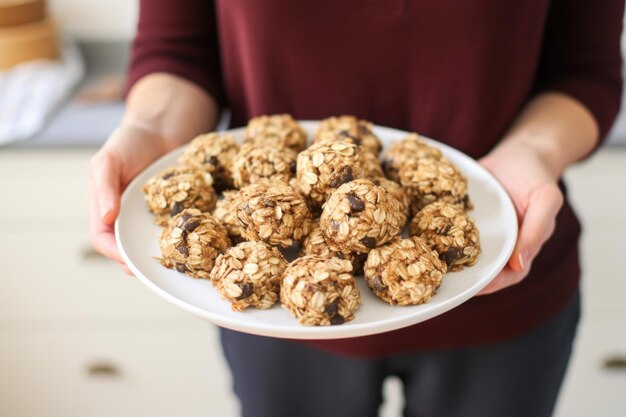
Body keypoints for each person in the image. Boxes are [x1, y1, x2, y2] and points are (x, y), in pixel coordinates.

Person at [88, 1, 623, 416]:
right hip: (278, 329)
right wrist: (150, 130)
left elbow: (585, 70)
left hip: (504, 295)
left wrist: (533, 152)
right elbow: (178, 53)